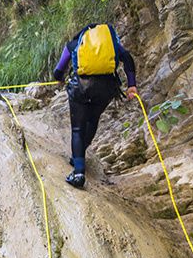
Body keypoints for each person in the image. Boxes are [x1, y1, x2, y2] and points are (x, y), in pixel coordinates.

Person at [53, 23, 137, 188]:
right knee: (92, 120)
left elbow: (58, 71)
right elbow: (127, 58)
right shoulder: (112, 46)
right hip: (106, 89)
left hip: (80, 88)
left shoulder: (74, 44)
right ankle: (79, 154)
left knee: (77, 128)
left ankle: (78, 172)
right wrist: (131, 85)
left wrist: (60, 78)